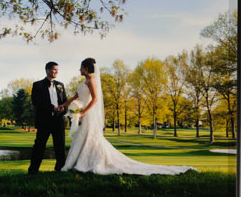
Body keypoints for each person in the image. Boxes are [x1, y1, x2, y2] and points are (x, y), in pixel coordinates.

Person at [60, 57, 196, 175]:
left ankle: (89, 163)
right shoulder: (84, 82)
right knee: (80, 138)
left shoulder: (91, 81)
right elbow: (75, 97)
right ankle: (76, 163)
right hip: (82, 115)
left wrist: (83, 112)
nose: (79, 70)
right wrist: (64, 106)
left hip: (88, 115)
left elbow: (95, 100)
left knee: (91, 138)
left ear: (86, 68)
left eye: (81, 67)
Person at [28, 61, 68, 174]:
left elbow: (65, 102)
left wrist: (63, 109)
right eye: (54, 69)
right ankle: (33, 171)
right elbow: (36, 102)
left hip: (58, 120)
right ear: (47, 70)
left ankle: (60, 170)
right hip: (44, 121)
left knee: (60, 146)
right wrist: (52, 108)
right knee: (39, 146)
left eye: (57, 70)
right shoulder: (37, 85)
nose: (56, 72)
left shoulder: (60, 85)